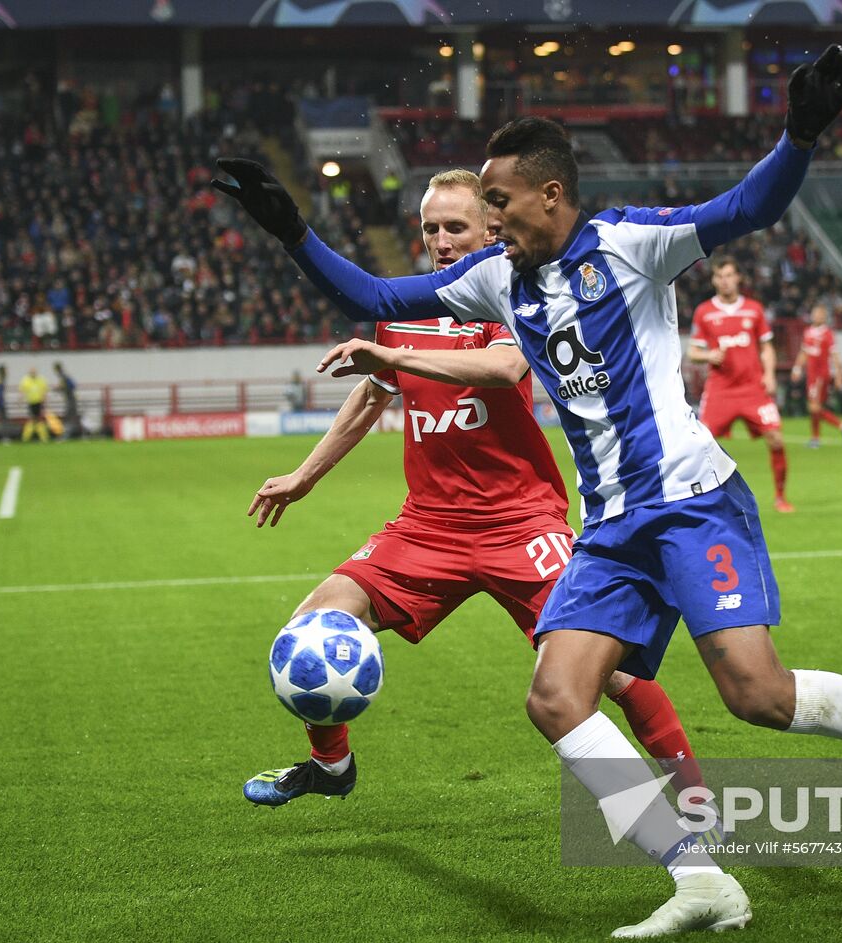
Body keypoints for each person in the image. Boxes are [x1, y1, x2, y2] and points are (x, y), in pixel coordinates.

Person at [215, 45, 842, 939]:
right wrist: (292, 231)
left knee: (759, 697)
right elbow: (372, 290)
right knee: (557, 699)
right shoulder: (496, 279)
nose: (488, 218)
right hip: (608, 529)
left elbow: (749, 205)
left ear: (550, 195)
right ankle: (702, 880)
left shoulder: (633, 245)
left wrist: (800, 132)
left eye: (499, 202)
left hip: (690, 504)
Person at [242, 168, 706, 816]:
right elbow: (373, 393)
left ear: (491, 229)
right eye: (430, 227)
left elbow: (505, 367)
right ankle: (331, 765)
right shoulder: (405, 307)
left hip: (521, 522)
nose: (440, 238)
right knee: (312, 623)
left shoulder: (512, 291)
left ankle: (697, 798)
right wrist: (303, 475)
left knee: (617, 669)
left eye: (454, 226)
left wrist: (396, 361)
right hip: (428, 526)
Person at [687, 254, 793, 513]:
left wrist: (769, 374)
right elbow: (692, 352)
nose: (725, 281)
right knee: (700, 445)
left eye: (729, 276)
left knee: (776, 439)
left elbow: (767, 347)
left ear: (738, 278)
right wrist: (708, 355)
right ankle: (699, 500)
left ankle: (780, 497)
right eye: (720, 276)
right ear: (714, 280)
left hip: (753, 389)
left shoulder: (754, 309)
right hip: (720, 390)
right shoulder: (705, 312)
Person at [791, 304, 842, 449]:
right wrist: (797, 368)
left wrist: (839, 375)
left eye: (819, 314)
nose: (816, 315)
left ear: (824, 317)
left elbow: (835, 355)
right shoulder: (808, 332)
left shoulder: (827, 333)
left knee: (814, 407)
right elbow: (803, 352)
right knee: (815, 407)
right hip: (811, 375)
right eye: (814, 313)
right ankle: (816, 438)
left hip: (820, 375)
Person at [18, 367, 51, 442]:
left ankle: (42, 438)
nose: (33, 373)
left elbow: (44, 391)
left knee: (38, 420)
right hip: (31, 402)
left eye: (34, 372)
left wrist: (44, 401)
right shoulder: (26, 380)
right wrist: (20, 400)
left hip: (39, 402)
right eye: (32, 372)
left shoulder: (41, 380)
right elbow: (22, 391)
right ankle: (26, 438)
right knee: (33, 420)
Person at [53, 362, 82, 439]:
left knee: (68, 417)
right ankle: (81, 435)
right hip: (71, 399)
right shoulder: (64, 376)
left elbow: (71, 385)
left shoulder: (63, 377)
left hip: (70, 400)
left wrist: (58, 389)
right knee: (73, 417)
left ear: (57, 369)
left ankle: (65, 435)